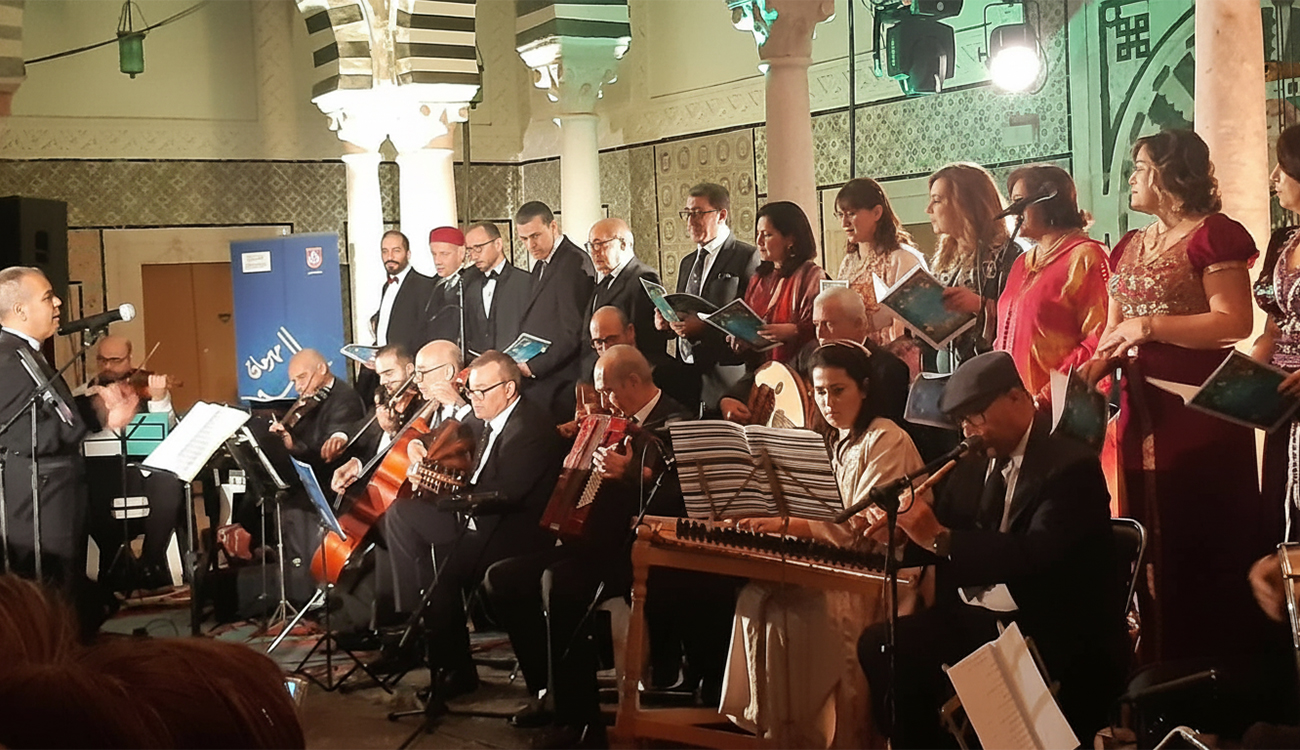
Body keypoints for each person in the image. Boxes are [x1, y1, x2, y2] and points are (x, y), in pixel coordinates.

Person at [859, 351, 1125, 748]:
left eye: (977, 417)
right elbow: (946, 532)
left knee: (937, 659)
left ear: (1018, 397)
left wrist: (939, 537)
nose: (970, 432)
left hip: (1050, 623)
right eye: (963, 422)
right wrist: (903, 537)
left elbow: (1035, 557)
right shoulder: (972, 462)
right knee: (882, 645)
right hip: (983, 617)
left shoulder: (1071, 467)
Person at [1082, 129, 1278, 665]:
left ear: (1170, 174)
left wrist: (1152, 326)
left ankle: (1218, 677)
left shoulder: (1213, 236)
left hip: (1198, 409)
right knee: (1148, 534)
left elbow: (1233, 322)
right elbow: (1113, 327)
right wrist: (1091, 371)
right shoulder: (1131, 244)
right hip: (1139, 411)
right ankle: (1158, 669)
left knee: (1201, 532)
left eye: (1140, 167)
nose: (1131, 179)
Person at [720, 342, 929, 748]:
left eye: (838, 390)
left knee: (802, 611)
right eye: (819, 392)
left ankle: (840, 736)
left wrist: (786, 524)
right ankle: (784, 731)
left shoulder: (886, 438)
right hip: (831, 564)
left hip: (870, 577)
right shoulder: (835, 441)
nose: (827, 402)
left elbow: (858, 527)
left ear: (864, 389)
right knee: (756, 597)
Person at [484, 345, 692, 749]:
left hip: (643, 550)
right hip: (596, 544)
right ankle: (549, 691)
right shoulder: (616, 421)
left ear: (633, 382)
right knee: (503, 578)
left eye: (608, 391)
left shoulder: (677, 421)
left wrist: (633, 475)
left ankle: (581, 722)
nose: (603, 401)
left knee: (560, 583)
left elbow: (680, 497)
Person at [380, 351, 564, 709]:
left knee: (442, 569)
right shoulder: (483, 420)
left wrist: (451, 494)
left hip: (513, 532)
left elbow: (507, 493)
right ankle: (423, 626)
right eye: (471, 391)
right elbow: (441, 439)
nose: (474, 398)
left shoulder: (531, 428)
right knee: (402, 513)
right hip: (475, 520)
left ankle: (446, 656)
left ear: (509, 389)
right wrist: (420, 451)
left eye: (482, 391)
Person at [0, 267, 137, 622]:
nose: (58, 301)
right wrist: (99, 413)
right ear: (20, 310)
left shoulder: (26, 352)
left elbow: (55, 418)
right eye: (47, 297)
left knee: (66, 589)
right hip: (35, 498)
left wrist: (100, 409)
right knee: (49, 595)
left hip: (56, 490)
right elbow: (31, 436)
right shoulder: (6, 359)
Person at [994, 165, 1110, 399]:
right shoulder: (1021, 263)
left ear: (1049, 202)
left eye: (1020, 201)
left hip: (1061, 404)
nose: (1014, 211)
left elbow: (1099, 338)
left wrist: (1052, 392)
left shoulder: (1086, 256)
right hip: (1016, 404)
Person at [82, 334, 186, 592]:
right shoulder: (81, 394)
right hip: (102, 479)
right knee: (84, 487)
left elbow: (169, 434)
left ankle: (151, 561)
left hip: (142, 476)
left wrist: (160, 399)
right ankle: (114, 560)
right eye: (102, 360)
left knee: (168, 483)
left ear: (129, 361)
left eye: (115, 360)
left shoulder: (145, 390)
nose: (107, 367)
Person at [656, 182, 761, 415]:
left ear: (721, 215)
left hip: (725, 378)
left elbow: (749, 323)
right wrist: (668, 322)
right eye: (687, 213)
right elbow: (684, 310)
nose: (690, 221)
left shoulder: (746, 257)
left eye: (698, 213)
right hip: (687, 377)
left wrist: (704, 327)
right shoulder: (686, 263)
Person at [1254, 123, 1300, 541]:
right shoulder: (1283, 240)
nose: (1274, 178)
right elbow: (1274, 321)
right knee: (1278, 505)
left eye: (1282, 168)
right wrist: (1249, 368)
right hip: (1281, 400)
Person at [927, 163, 1018, 372]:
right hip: (949, 368)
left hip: (988, 371)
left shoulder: (1007, 254)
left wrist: (980, 305)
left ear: (965, 204)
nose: (928, 209)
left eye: (937, 200)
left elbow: (1020, 318)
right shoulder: (947, 256)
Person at [514, 201, 598, 423]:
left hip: (562, 379)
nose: (530, 245)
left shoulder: (574, 262)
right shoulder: (542, 263)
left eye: (535, 236)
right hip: (542, 374)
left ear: (553, 227)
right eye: (524, 239)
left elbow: (573, 331)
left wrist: (532, 367)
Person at [731, 200, 826, 367]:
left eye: (767, 235)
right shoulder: (758, 278)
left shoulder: (812, 276)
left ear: (791, 239)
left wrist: (794, 331)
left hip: (799, 367)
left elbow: (825, 327)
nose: (759, 241)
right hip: (760, 368)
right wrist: (742, 337)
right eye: (758, 233)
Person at [834, 177, 927, 345]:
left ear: (877, 212)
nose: (844, 223)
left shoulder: (901, 258)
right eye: (840, 215)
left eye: (851, 214)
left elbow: (916, 319)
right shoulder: (849, 262)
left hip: (890, 354)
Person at [585, 217, 671, 373]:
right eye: (591, 246)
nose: (594, 252)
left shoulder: (643, 278)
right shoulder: (604, 282)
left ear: (623, 244)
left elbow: (649, 340)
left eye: (600, 244)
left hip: (630, 374)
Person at [359, 230, 438, 397]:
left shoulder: (424, 285)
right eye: (385, 251)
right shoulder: (386, 287)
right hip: (383, 371)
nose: (390, 256)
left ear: (408, 254)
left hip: (406, 374)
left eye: (396, 250)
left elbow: (425, 333)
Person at [462, 221, 530, 356]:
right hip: (478, 368)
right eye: (470, 250)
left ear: (498, 244)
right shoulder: (467, 283)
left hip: (515, 368)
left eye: (478, 248)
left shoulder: (526, 282)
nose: (474, 256)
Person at [424, 226, 471, 346]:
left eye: (444, 254)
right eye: (434, 254)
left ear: (461, 253)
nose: (437, 261)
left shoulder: (473, 282)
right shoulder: (430, 286)